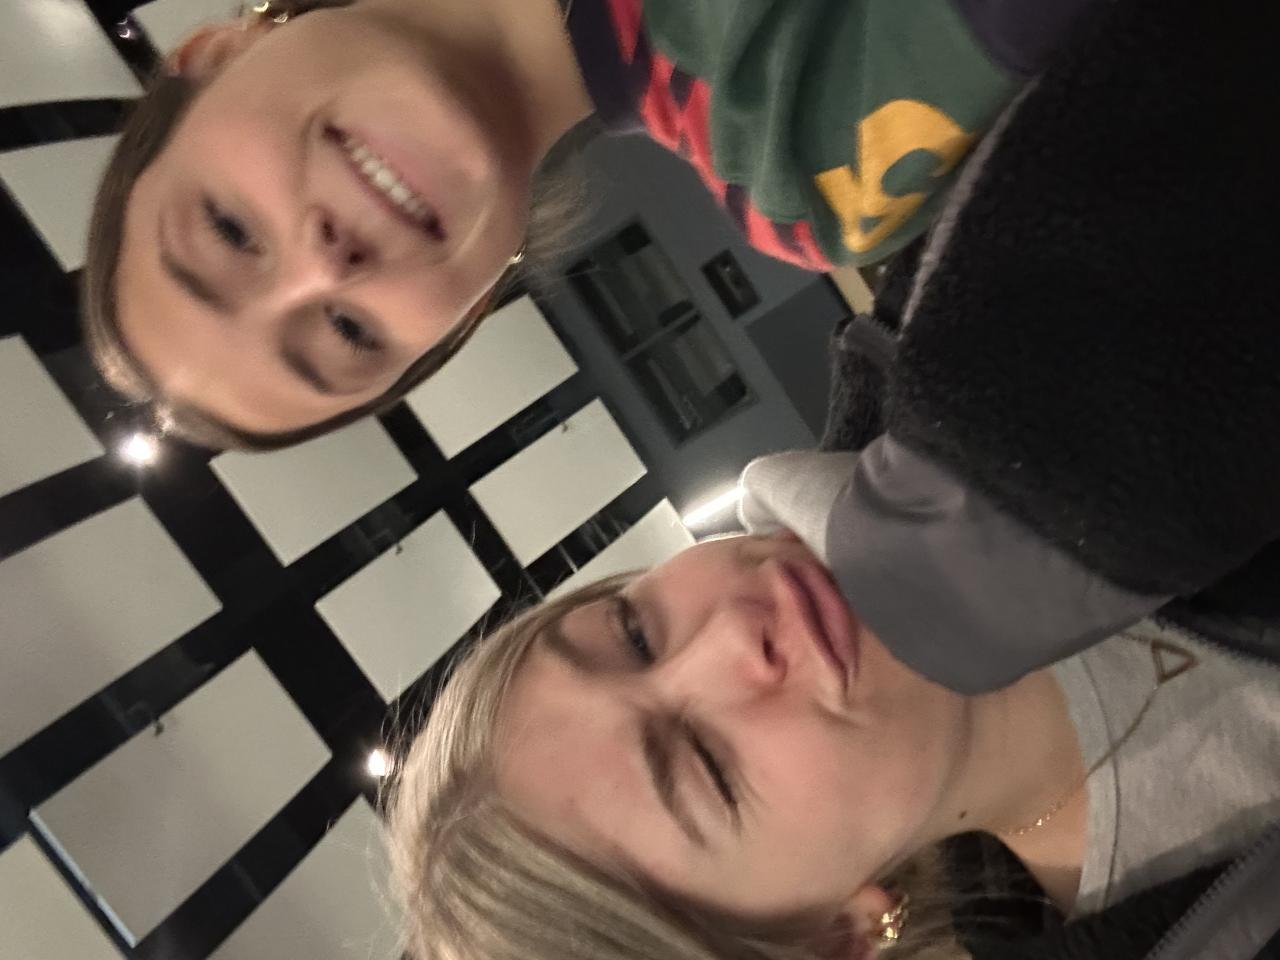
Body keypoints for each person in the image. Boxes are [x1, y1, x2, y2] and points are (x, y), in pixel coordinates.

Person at [84, 0, 1097, 449]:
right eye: (348, 333)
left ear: (212, 54)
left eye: (229, 231)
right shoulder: (815, 155)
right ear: (466, 311)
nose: (321, 267)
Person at [384, 531, 1280, 960]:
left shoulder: (980, 323)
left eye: (634, 631)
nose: (730, 636)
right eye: (706, 768)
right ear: (832, 939)